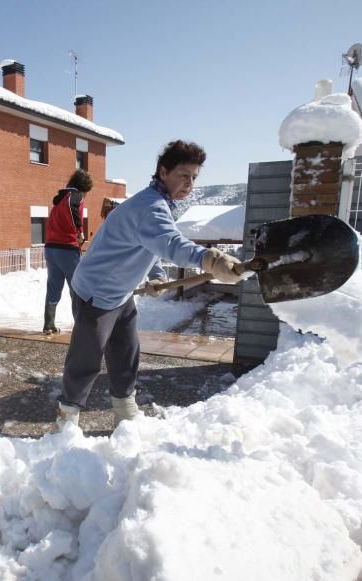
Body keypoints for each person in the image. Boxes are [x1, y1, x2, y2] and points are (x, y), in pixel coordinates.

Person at [56, 140, 243, 429]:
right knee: (86, 358)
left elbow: (149, 244)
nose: (189, 183)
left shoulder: (156, 203)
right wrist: (209, 259)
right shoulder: (150, 207)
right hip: (96, 292)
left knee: (126, 351)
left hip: (120, 292)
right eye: (183, 175)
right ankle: (66, 418)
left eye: (194, 177)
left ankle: (124, 409)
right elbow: (169, 242)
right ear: (163, 171)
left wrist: (155, 274)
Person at [42, 169, 93, 334]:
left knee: (53, 286)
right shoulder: (75, 196)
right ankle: (80, 326)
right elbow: (73, 208)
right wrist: (79, 230)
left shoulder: (59, 200)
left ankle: (49, 324)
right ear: (83, 187)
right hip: (67, 250)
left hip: (51, 249)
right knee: (77, 287)